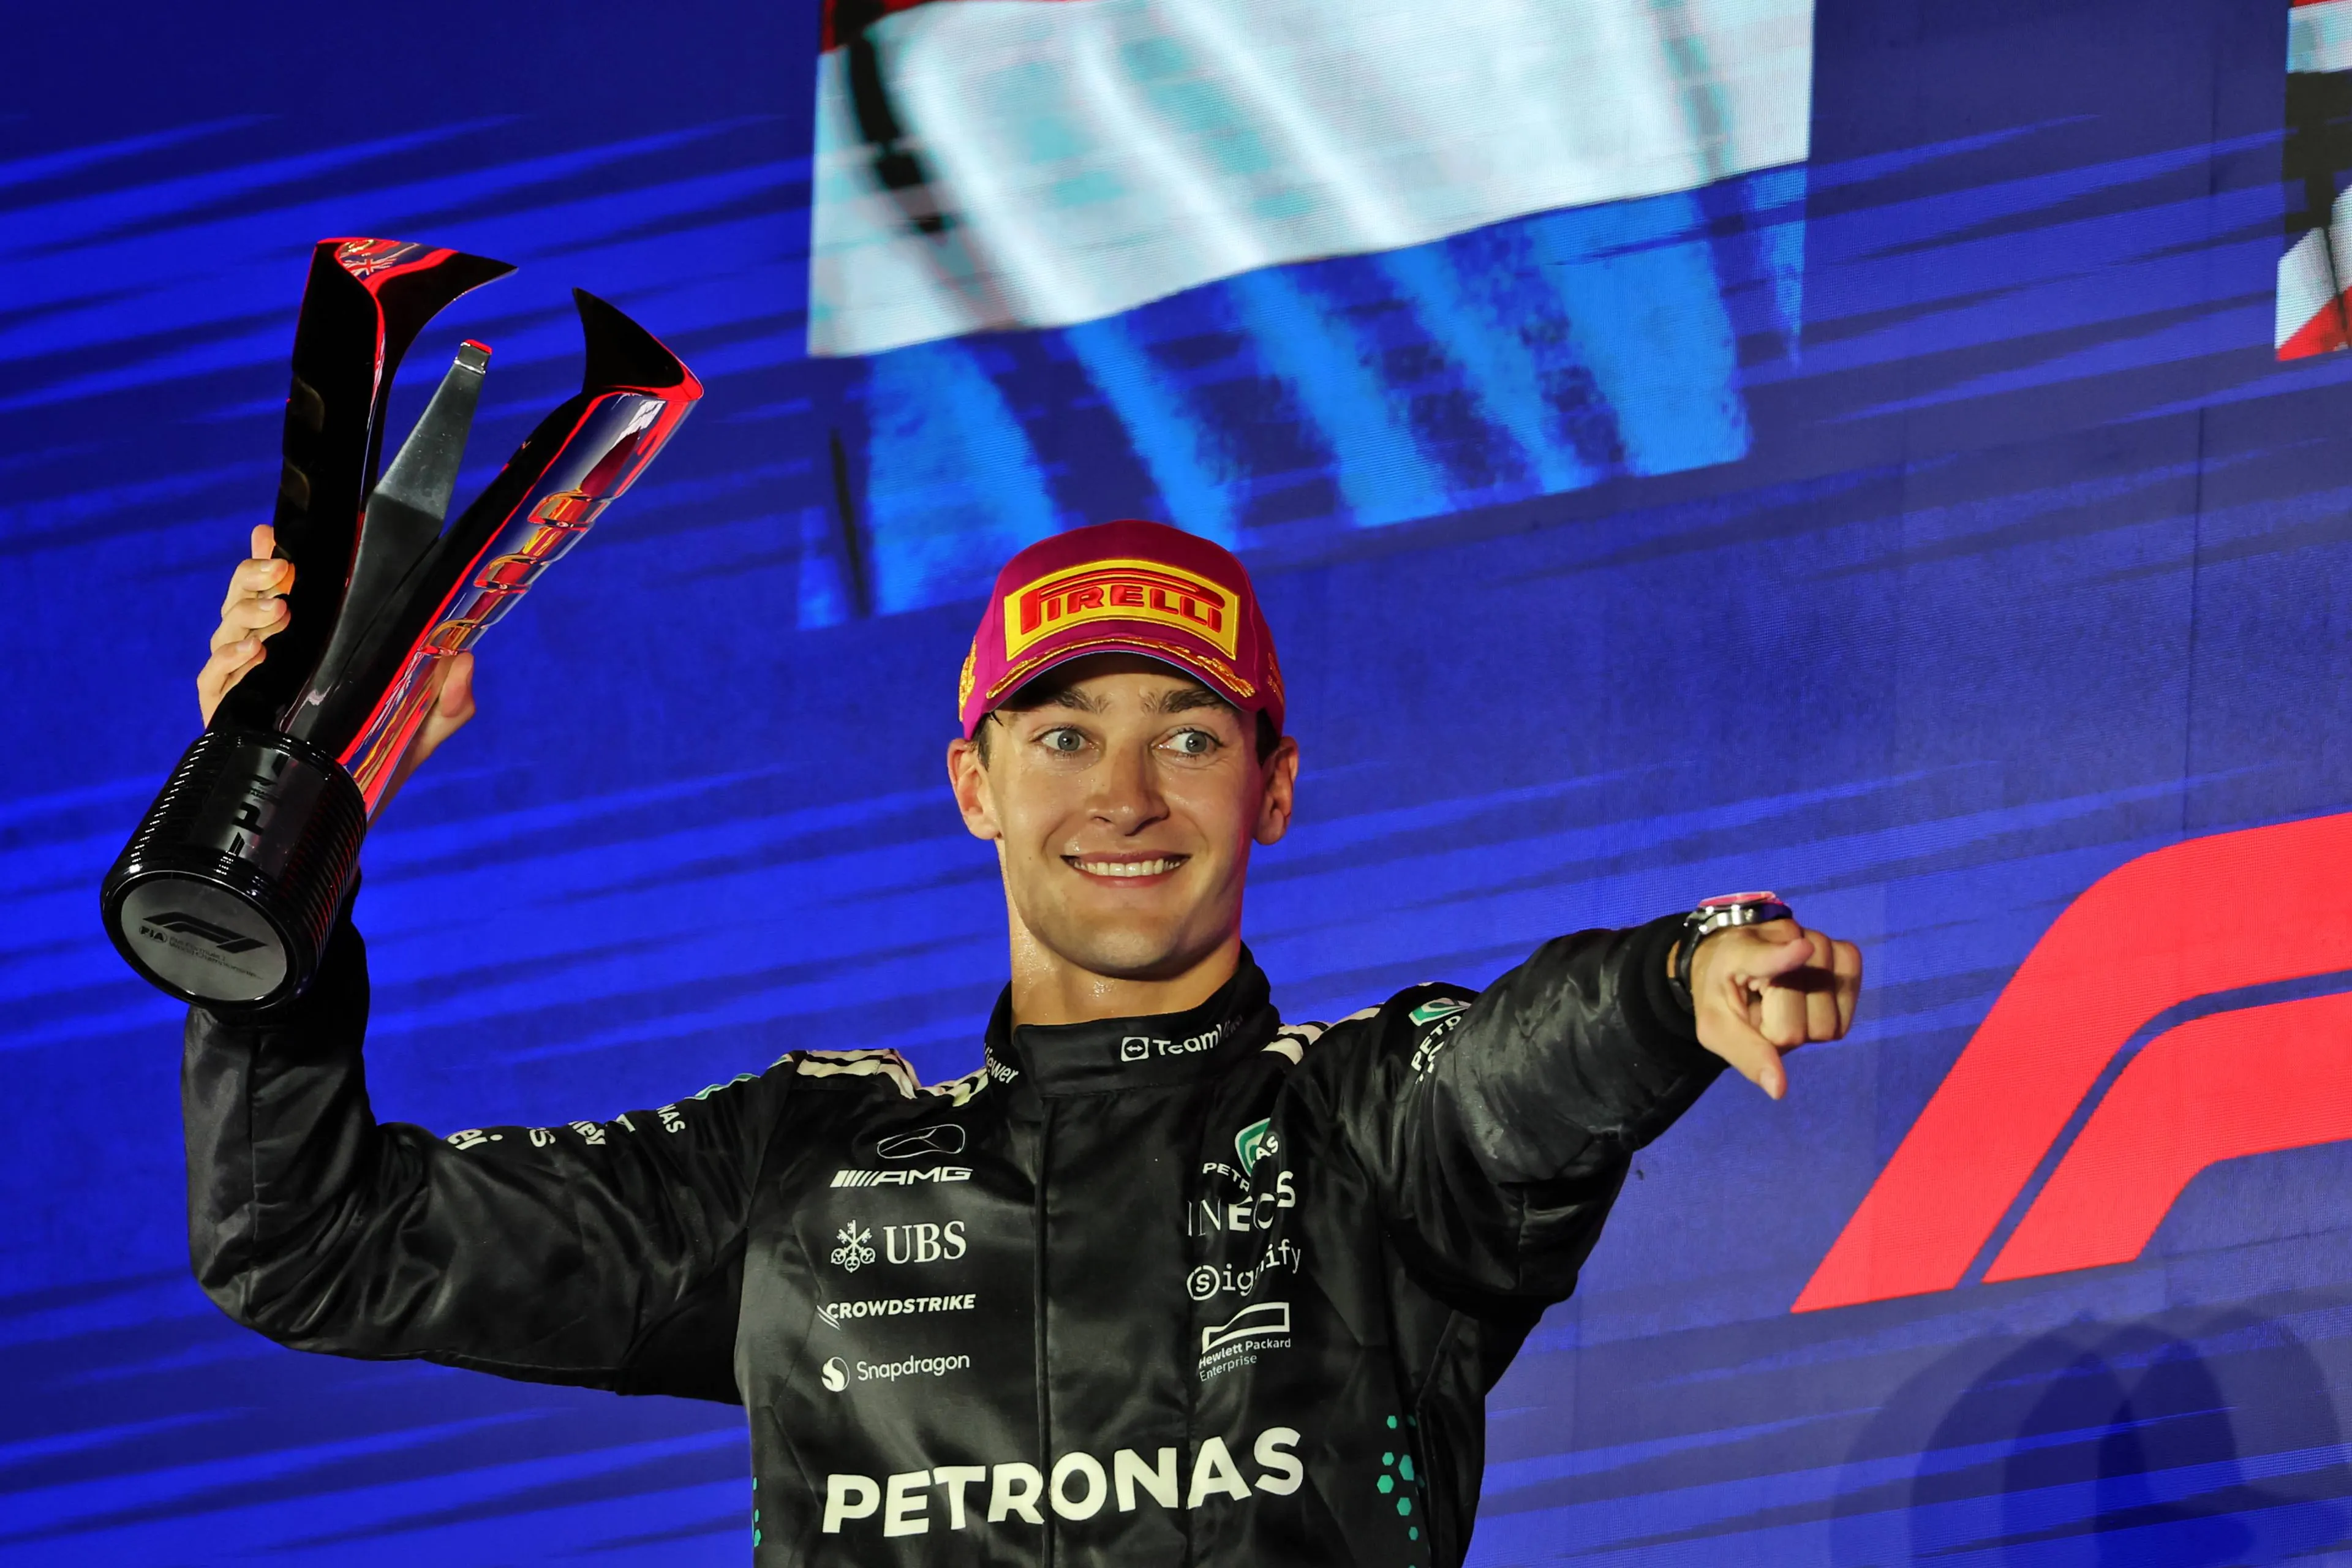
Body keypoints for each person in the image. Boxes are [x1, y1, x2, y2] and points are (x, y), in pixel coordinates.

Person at [186, 517, 1861, 1566]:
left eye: (1188, 736)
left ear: (1272, 788)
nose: (1125, 799)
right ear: (975, 785)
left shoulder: (1369, 1124)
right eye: (1062, 736)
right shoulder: (796, 1169)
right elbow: (311, 1248)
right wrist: (287, 829)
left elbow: (1525, 1069)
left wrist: (1673, 980)